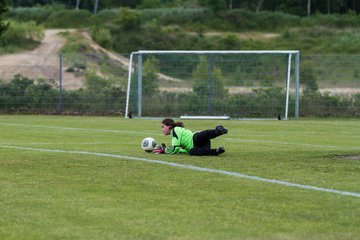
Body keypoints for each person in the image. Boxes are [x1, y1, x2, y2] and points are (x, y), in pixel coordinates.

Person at [153, 118, 228, 156]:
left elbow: (174, 148)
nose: (162, 129)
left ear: (169, 126)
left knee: (201, 135)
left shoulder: (175, 130)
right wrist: (166, 148)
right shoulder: (175, 134)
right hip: (200, 145)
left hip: (195, 138)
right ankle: (216, 151)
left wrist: (164, 150)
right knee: (192, 152)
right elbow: (179, 149)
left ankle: (218, 131)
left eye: (163, 127)